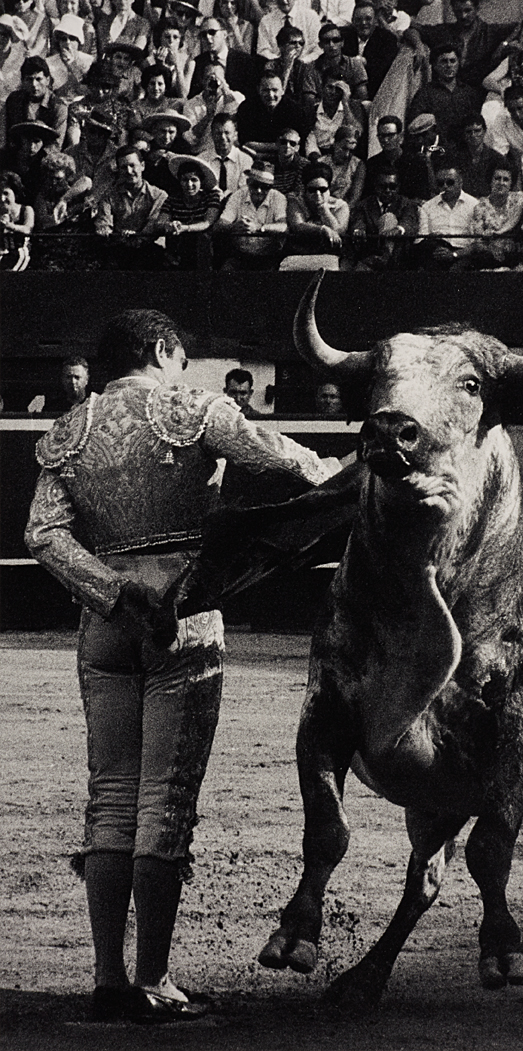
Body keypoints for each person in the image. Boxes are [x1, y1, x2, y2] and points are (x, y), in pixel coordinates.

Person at [24, 307, 339, 1025]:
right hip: (183, 613)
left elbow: (41, 533)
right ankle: (155, 980)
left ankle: (107, 979)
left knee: (110, 796)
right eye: (179, 355)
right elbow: (281, 458)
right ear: (164, 349)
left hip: (105, 622)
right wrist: (338, 474)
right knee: (163, 804)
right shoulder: (193, 406)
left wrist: (112, 589)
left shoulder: (70, 428)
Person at [94, 143, 168, 268]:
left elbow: (153, 227)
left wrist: (135, 237)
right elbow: (104, 223)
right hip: (119, 252)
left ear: (142, 166)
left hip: (150, 253)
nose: (129, 171)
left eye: (132, 166)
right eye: (123, 167)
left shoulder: (159, 195)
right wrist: (107, 231)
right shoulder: (109, 196)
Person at [406, 44, 482, 152]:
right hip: (438, 150)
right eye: (444, 61)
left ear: (458, 63)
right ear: (435, 66)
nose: (449, 65)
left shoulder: (468, 92)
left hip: (466, 150)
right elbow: (415, 126)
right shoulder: (425, 94)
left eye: (452, 61)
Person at [213, 159, 287, 269]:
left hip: (269, 256)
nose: (259, 190)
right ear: (248, 182)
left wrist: (259, 228)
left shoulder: (278, 197)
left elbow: (283, 226)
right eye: (255, 185)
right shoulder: (238, 195)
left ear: (271, 187)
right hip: (239, 255)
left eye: (265, 187)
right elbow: (220, 224)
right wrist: (235, 226)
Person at [348, 163, 418, 270]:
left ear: (398, 187)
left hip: (398, 260)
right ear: (375, 186)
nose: (387, 191)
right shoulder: (364, 205)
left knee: (388, 218)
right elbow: (359, 220)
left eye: (392, 187)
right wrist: (358, 230)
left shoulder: (407, 204)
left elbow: (409, 221)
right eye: (383, 186)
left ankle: (385, 257)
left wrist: (398, 230)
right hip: (370, 256)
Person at [159, 154, 221, 268]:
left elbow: (207, 222)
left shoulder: (211, 197)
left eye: (194, 180)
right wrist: (170, 225)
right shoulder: (172, 199)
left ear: (201, 181)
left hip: (204, 250)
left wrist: (185, 228)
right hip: (179, 248)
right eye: (185, 180)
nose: (189, 184)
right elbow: (160, 222)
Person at [415, 160, 478, 269]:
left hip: (464, 254)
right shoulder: (427, 207)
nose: (445, 187)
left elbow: (477, 240)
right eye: (440, 183)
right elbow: (421, 238)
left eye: (450, 182)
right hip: (436, 252)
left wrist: (455, 254)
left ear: (460, 182)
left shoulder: (474, 205)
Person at [471, 155, 523, 269]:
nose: (501, 183)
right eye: (497, 178)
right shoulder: (480, 206)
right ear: (490, 180)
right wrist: (491, 248)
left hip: (516, 259)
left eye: (506, 179)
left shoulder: (519, 199)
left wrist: (498, 233)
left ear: (511, 183)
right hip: (491, 260)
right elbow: (477, 241)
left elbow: (515, 220)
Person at [284, 159, 349, 259]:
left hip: (330, 255)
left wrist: (324, 210)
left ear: (329, 188)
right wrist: (323, 229)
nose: (317, 194)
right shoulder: (296, 201)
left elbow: (339, 231)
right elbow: (297, 226)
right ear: (304, 190)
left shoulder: (340, 206)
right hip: (300, 254)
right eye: (312, 190)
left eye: (322, 189)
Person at [5, 56, 68, 149]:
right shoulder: (14, 100)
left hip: (46, 157)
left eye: (38, 79)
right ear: (22, 81)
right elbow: (8, 134)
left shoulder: (58, 106)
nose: (34, 85)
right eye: (29, 79)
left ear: (47, 80)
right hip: (18, 154)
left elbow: (56, 144)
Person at [341, 0, 399, 100]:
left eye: (368, 19)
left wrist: (363, 62)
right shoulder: (345, 37)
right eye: (358, 19)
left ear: (375, 20)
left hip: (376, 92)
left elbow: (384, 68)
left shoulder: (387, 39)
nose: (363, 23)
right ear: (352, 20)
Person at [256, 0, 322, 64]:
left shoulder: (311, 17)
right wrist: (281, 62)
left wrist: (302, 62)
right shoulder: (266, 21)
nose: (284, 1)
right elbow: (263, 50)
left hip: (305, 65)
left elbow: (318, 48)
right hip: (277, 67)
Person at [46, 14, 93, 101]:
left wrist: (71, 65)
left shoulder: (88, 61)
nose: (67, 42)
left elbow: (86, 90)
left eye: (72, 38)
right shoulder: (49, 63)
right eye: (63, 39)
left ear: (79, 41)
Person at [318, 123, 365, 206]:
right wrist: (333, 188)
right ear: (335, 143)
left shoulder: (357, 165)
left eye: (351, 151)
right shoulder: (321, 162)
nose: (347, 155)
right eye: (344, 148)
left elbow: (355, 197)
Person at [0, 168, 33, 269]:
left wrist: (9, 226)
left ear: (15, 192)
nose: (2, 198)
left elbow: (28, 229)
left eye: (6, 193)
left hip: (20, 252)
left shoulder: (26, 209)